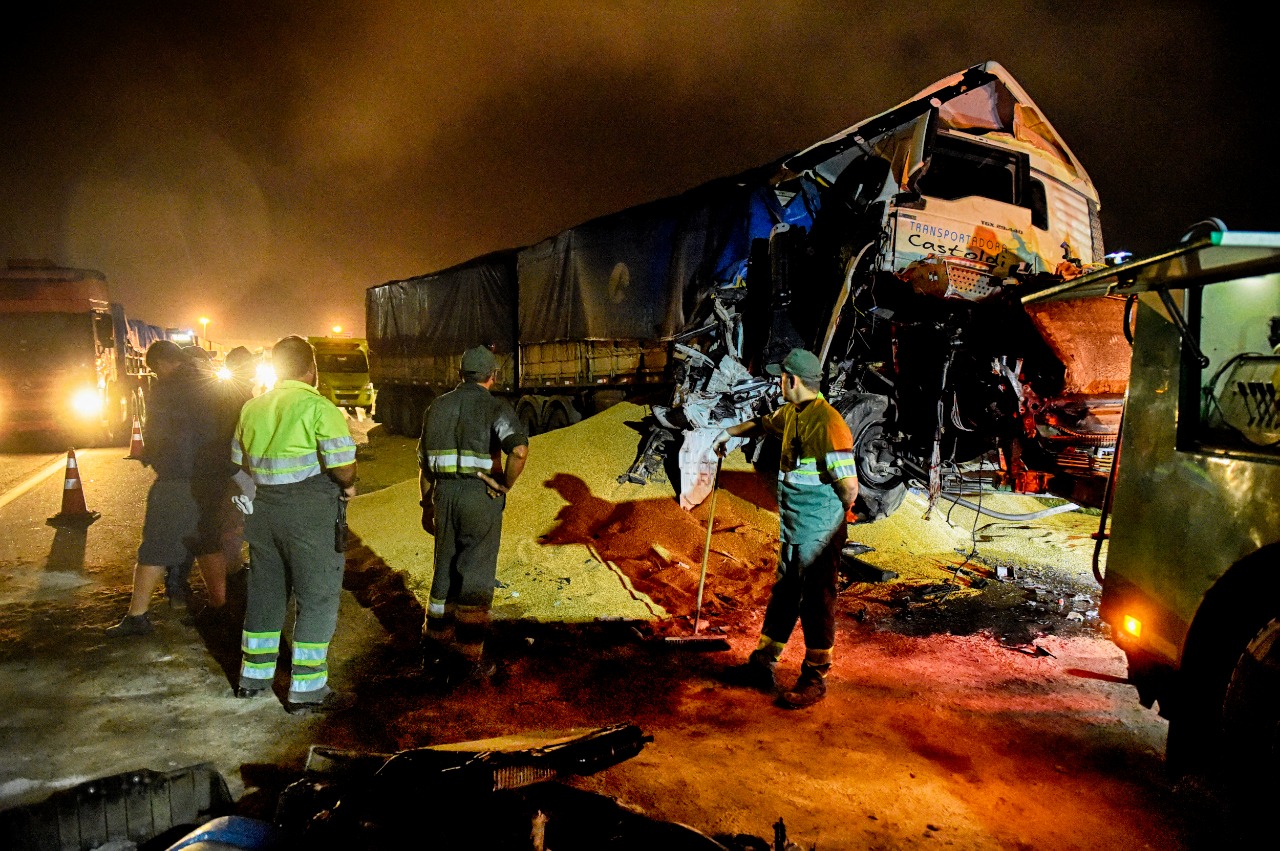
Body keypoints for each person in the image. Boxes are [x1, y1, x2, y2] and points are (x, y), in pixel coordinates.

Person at [711, 347, 859, 709]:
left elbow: (849, 488)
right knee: (785, 595)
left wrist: (832, 516)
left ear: (791, 380)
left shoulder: (828, 423)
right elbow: (762, 424)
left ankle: (815, 678)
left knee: (817, 600)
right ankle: (762, 664)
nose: (779, 383)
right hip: (796, 528)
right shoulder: (792, 413)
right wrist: (728, 433)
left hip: (820, 532)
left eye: (781, 378)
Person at [231, 335, 357, 714]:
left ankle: (253, 678)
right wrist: (348, 484)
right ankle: (307, 688)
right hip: (308, 514)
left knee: (266, 594)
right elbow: (343, 467)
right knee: (317, 596)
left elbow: (238, 464)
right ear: (311, 369)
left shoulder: (252, 407)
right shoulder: (319, 408)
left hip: (262, 511)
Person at [418, 345, 528, 689]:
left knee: (444, 571)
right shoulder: (495, 407)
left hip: (443, 495)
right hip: (480, 497)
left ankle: (434, 648)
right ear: (493, 375)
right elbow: (519, 450)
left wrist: (427, 505)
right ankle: (468, 658)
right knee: (476, 574)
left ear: (460, 374)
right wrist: (504, 484)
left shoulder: (437, 406)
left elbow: (423, 466)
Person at [106, 340, 227, 637]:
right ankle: (220, 607)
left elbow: (159, 433)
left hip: (178, 476)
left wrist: (153, 457)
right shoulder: (212, 386)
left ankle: (137, 616)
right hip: (213, 478)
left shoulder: (167, 389)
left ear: (161, 364)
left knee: (155, 544)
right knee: (207, 540)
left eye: (155, 369)